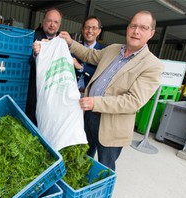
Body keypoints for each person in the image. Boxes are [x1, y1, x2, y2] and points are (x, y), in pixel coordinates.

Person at [58, 10, 164, 171]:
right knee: (81, 161)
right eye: (133, 26)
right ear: (128, 28)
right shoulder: (113, 49)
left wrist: (96, 102)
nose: (136, 31)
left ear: (151, 33)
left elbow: (133, 101)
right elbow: (89, 55)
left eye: (143, 27)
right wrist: (71, 43)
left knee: (103, 170)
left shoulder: (152, 65)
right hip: (88, 116)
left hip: (112, 127)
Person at [25, 8, 63, 126]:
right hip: (34, 94)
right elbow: (27, 62)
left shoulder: (62, 42)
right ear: (43, 21)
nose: (52, 25)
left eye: (56, 22)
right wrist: (36, 54)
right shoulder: (32, 36)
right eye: (49, 21)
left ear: (59, 24)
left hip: (53, 97)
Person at [73, 16, 105, 93]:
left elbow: (102, 77)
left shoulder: (104, 51)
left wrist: (81, 67)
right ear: (82, 30)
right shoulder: (73, 48)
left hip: (90, 96)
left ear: (99, 31)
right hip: (71, 94)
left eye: (94, 28)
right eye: (87, 27)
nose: (90, 31)